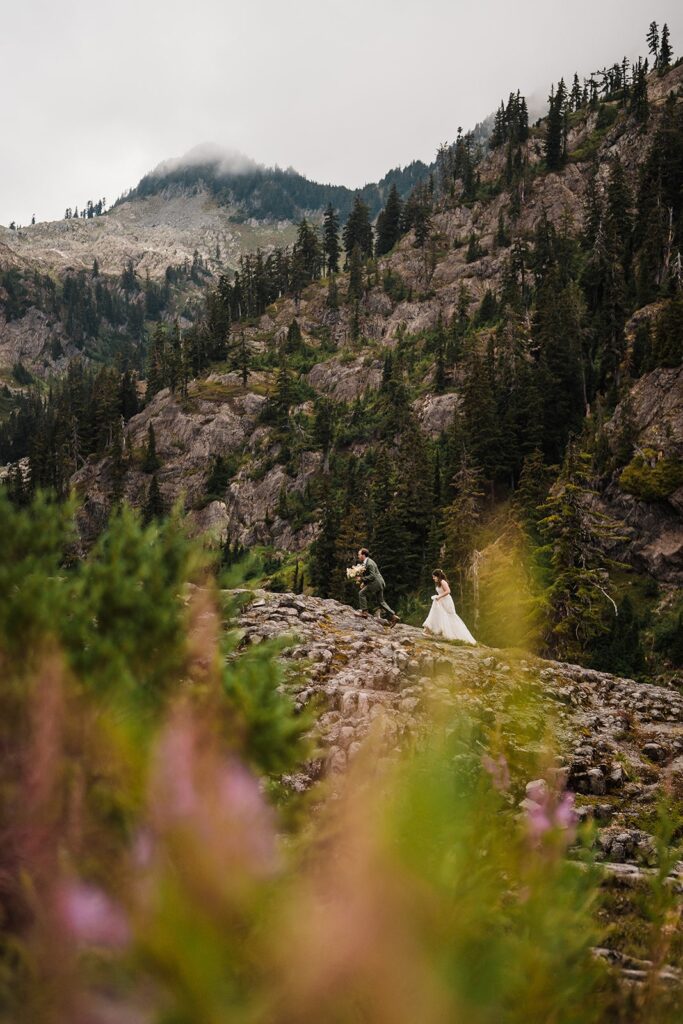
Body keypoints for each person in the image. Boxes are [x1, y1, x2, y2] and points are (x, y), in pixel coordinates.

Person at [423, 569, 476, 643]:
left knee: (449, 616)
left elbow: (448, 591)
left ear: (438, 576)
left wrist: (439, 596)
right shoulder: (438, 583)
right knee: (438, 614)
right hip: (441, 600)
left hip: (446, 601)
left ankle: (458, 635)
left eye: (434, 576)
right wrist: (438, 597)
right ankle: (430, 630)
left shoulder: (442, 582)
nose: (433, 578)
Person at [354, 548, 400, 627]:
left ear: (363, 555)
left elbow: (372, 576)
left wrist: (361, 579)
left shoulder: (369, 563)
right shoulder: (367, 562)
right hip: (379, 583)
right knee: (381, 601)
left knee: (361, 593)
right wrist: (364, 583)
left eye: (359, 554)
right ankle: (393, 617)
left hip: (376, 583)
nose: (358, 556)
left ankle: (364, 613)